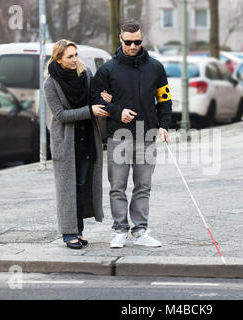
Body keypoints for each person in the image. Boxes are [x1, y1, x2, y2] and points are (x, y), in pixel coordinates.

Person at [91, 20, 172, 248]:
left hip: (146, 135)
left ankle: (140, 230)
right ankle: (119, 230)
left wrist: (164, 125)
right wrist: (117, 111)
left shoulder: (155, 67)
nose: (133, 46)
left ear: (141, 38)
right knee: (117, 185)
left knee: (143, 185)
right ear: (120, 39)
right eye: (128, 42)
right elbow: (95, 99)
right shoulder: (107, 69)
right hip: (119, 135)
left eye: (137, 41)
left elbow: (164, 100)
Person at [44, 39, 112, 249]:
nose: (75, 60)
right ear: (58, 59)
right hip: (65, 142)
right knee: (67, 189)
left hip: (87, 141)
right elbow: (61, 115)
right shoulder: (50, 83)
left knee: (81, 186)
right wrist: (90, 110)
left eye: (75, 55)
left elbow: (94, 99)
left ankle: (78, 231)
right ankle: (68, 233)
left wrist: (103, 98)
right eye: (69, 56)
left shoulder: (85, 75)